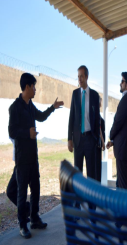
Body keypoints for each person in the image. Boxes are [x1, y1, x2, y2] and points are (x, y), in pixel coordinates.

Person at [8, 73, 64, 239]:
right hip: (22, 159)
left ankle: (34, 218)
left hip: (33, 157)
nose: (35, 89)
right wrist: (27, 133)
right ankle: (23, 225)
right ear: (27, 87)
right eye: (33, 86)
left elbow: (41, 117)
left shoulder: (30, 105)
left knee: (36, 188)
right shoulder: (15, 107)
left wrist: (52, 108)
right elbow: (11, 131)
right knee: (21, 192)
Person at [68, 65, 100, 182]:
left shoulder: (94, 95)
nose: (79, 79)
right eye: (78, 77)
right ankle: (78, 200)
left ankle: (90, 199)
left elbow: (97, 119)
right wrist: (69, 139)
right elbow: (71, 117)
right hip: (77, 140)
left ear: (87, 77)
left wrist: (97, 138)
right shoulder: (75, 94)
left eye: (82, 76)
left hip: (90, 140)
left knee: (91, 174)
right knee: (77, 174)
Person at [106, 72, 127, 190]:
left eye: (122, 81)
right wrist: (113, 141)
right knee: (125, 183)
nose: (120, 83)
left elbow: (118, 122)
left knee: (125, 186)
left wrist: (111, 135)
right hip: (125, 147)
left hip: (124, 149)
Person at [96, 96, 105, 182]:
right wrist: (103, 143)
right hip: (97, 144)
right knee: (97, 169)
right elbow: (99, 130)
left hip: (97, 144)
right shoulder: (96, 115)